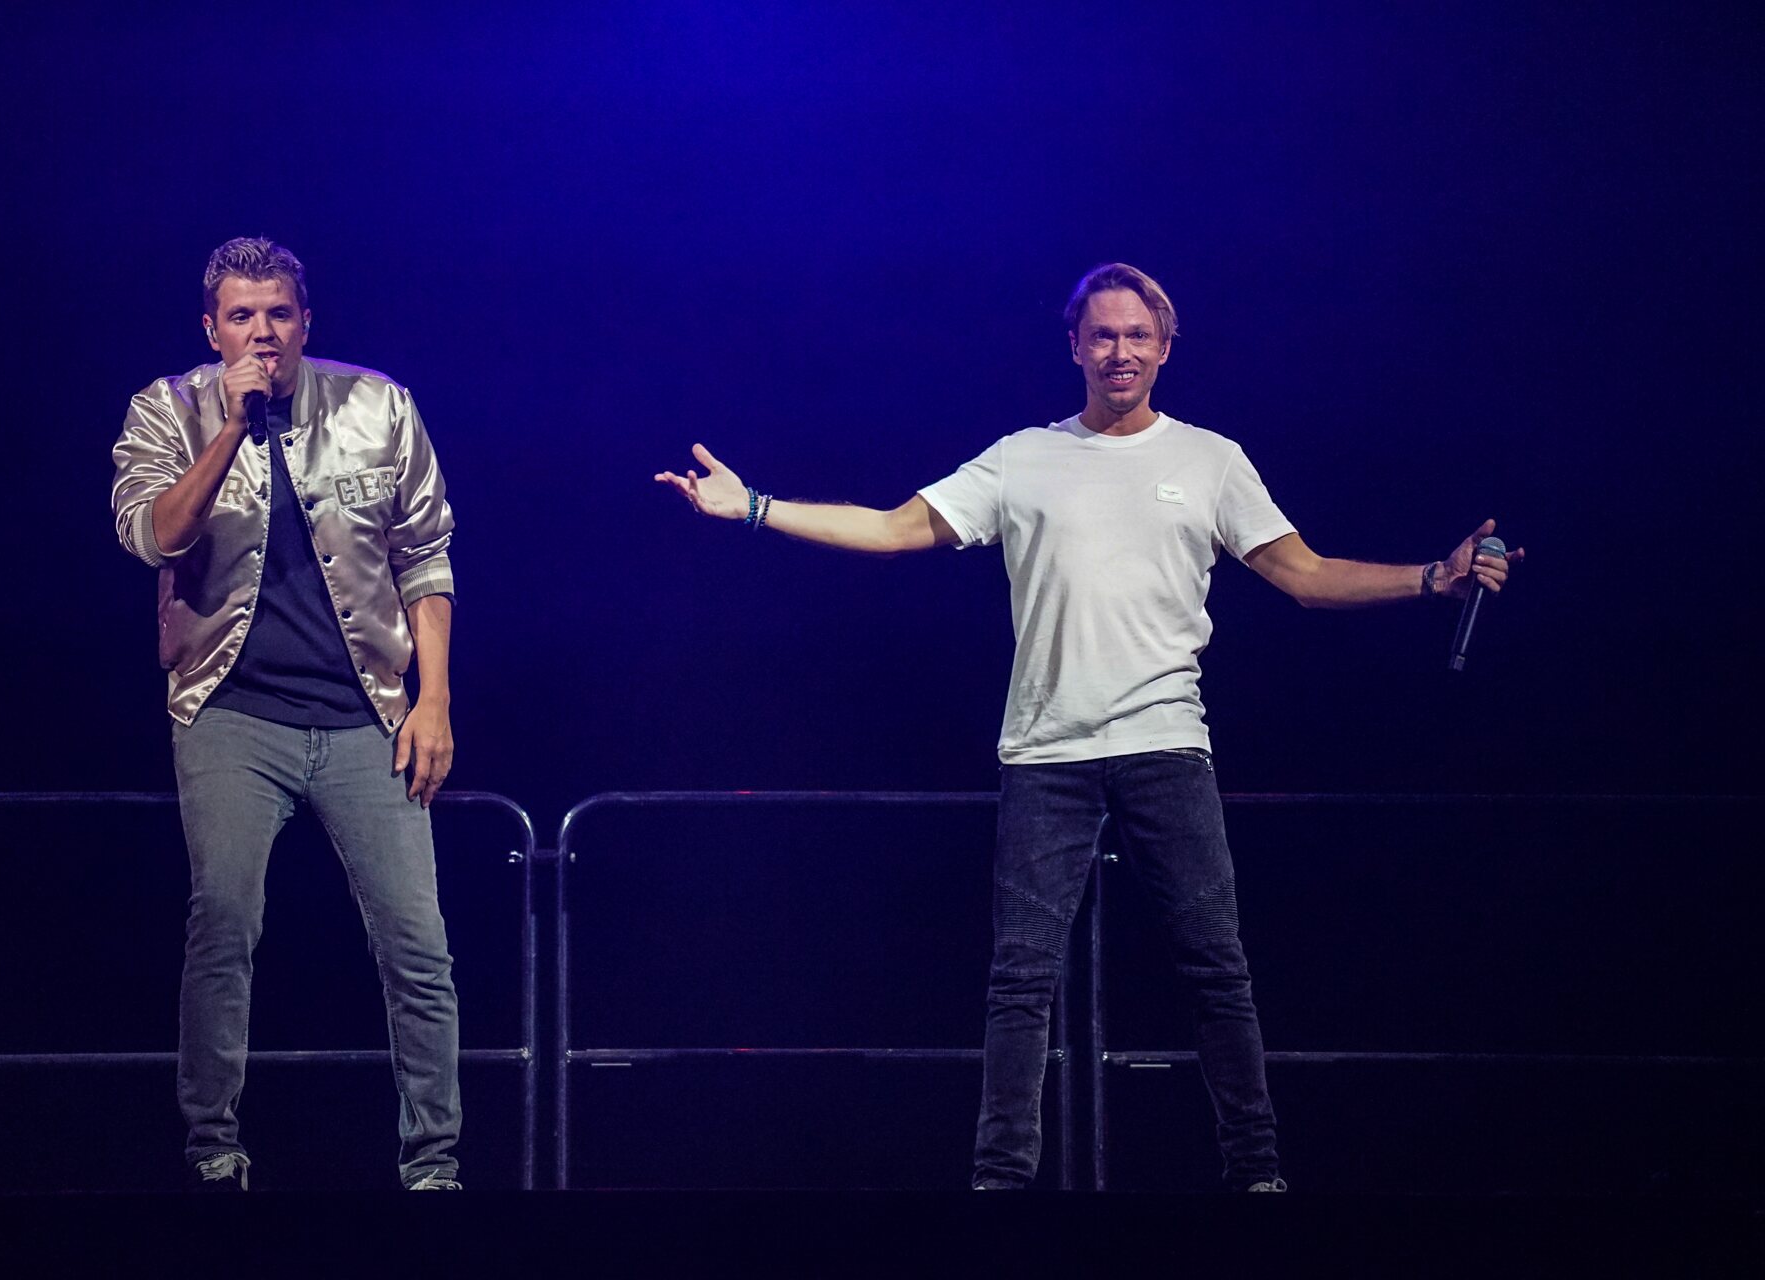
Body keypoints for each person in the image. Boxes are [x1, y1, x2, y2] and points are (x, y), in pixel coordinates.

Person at [655, 262, 1522, 1192]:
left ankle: (1257, 1173)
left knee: (1217, 969)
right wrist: (753, 507)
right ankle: (1001, 1184)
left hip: (1166, 747)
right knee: (1021, 981)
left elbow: (1304, 576)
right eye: (1103, 334)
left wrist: (1433, 578)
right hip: (1047, 754)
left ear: (1166, 348)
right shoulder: (1022, 458)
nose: (1120, 351)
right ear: (1073, 344)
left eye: (1137, 335)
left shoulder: (1210, 460)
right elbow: (895, 528)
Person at [112, 237, 463, 1191]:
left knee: (418, 945)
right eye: (241, 316)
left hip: (369, 714)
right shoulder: (167, 409)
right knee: (224, 922)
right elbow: (153, 536)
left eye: (278, 314)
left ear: (306, 322)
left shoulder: (378, 405)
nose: (262, 333)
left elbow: (425, 558)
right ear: (211, 329)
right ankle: (212, 1154)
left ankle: (435, 1168)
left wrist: (433, 703)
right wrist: (232, 428)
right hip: (231, 709)